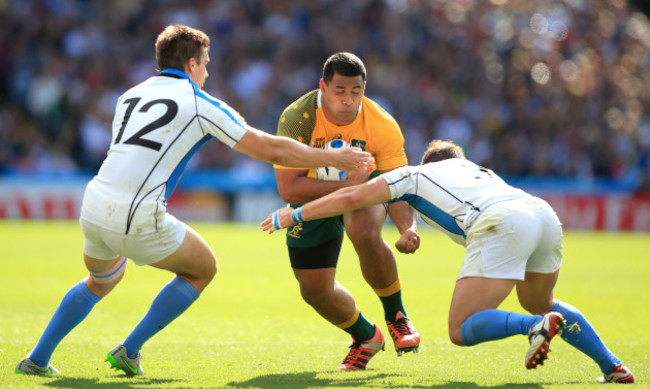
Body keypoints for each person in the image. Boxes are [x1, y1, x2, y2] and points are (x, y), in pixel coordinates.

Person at [14, 24, 372, 378]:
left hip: (94, 204)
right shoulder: (200, 103)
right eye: (205, 63)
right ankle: (130, 350)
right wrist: (331, 159)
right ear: (190, 64)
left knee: (101, 279)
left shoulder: (130, 95)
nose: (207, 72)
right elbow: (269, 147)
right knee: (203, 268)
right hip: (136, 213)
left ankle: (37, 358)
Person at [263, 139, 635, 384]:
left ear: (429, 162)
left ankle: (533, 328)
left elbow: (352, 198)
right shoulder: (479, 171)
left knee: (461, 327)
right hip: (543, 216)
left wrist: (293, 216)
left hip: (504, 222)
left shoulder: (413, 174)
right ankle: (612, 365)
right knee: (541, 301)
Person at [273, 52, 421, 371]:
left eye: (356, 91)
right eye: (340, 90)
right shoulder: (297, 117)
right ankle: (367, 337)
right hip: (315, 198)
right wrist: (348, 188)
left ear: (364, 89)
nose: (348, 100)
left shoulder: (382, 124)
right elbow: (289, 188)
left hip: (361, 197)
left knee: (363, 229)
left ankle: (397, 317)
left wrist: (408, 229)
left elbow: (398, 187)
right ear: (322, 87)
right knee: (314, 291)